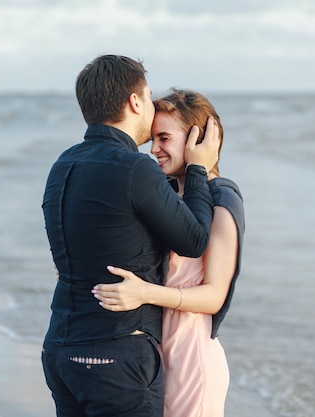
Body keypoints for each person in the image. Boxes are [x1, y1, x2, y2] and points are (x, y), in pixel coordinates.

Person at [40, 56, 221, 417]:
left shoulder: (62, 164)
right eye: (150, 97)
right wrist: (198, 169)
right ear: (135, 102)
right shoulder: (134, 168)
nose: (152, 108)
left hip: (60, 350)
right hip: (116, 355)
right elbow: (195, 240)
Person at [92, 88, 245, 417]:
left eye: (164, 138)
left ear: (197, 139)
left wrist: (144, 293)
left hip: (192, 359)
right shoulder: (166, 194)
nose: (154, 150)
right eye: (151, 140)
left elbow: (214, 297)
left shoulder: (222, 199)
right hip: (151, 356)